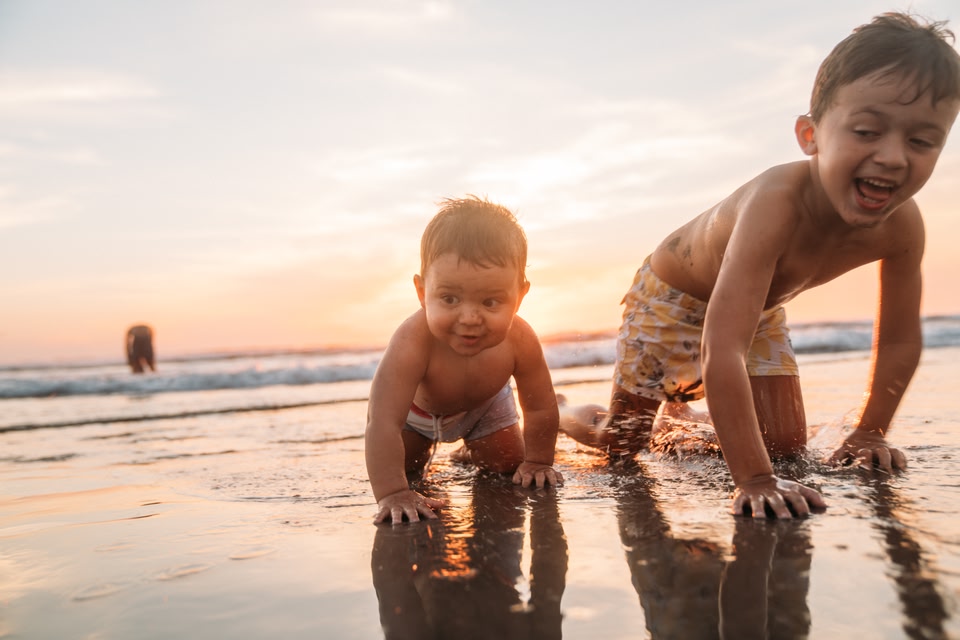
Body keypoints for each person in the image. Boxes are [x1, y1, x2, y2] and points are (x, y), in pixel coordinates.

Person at [561, 12, 960, 519]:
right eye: (866, 131)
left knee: (787, 443)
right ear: (810, 135)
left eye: (922, 141)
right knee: (619, 444)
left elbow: (901, 339)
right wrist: (753, 479)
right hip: (671, 297)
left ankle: (681, 415)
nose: (893, 157)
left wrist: (869, 433)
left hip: (758, 304)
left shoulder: (904, 227)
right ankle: (561, 410)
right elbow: (720, 345)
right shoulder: (776, 202)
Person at [365, 196, 563, 524]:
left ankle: (468, 450)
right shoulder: (412, 340)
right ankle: (418, 467)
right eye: (449, 298)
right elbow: (382, 421)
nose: (470, 317)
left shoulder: (521, 339)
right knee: (406, 469)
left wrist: (539, 461)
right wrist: (392, 493)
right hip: (415, 415)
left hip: (485, 406)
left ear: (520, 295)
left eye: (490, 301)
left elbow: (540, 405)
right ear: (421, 291)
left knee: (507, 463)